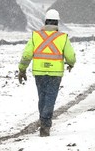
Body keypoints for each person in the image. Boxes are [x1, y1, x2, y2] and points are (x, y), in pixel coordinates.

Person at [18, 9, 76, 137]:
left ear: (45, 21)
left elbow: (27, 54)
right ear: (57, 23)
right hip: (55, 73)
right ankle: (45, 124)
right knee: (50, 97)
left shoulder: (35, 36)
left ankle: (43, 119)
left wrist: (22, 70)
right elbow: (70, 56)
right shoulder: (63, 37)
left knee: (42, 97)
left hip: (39, 73)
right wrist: (71, 64)